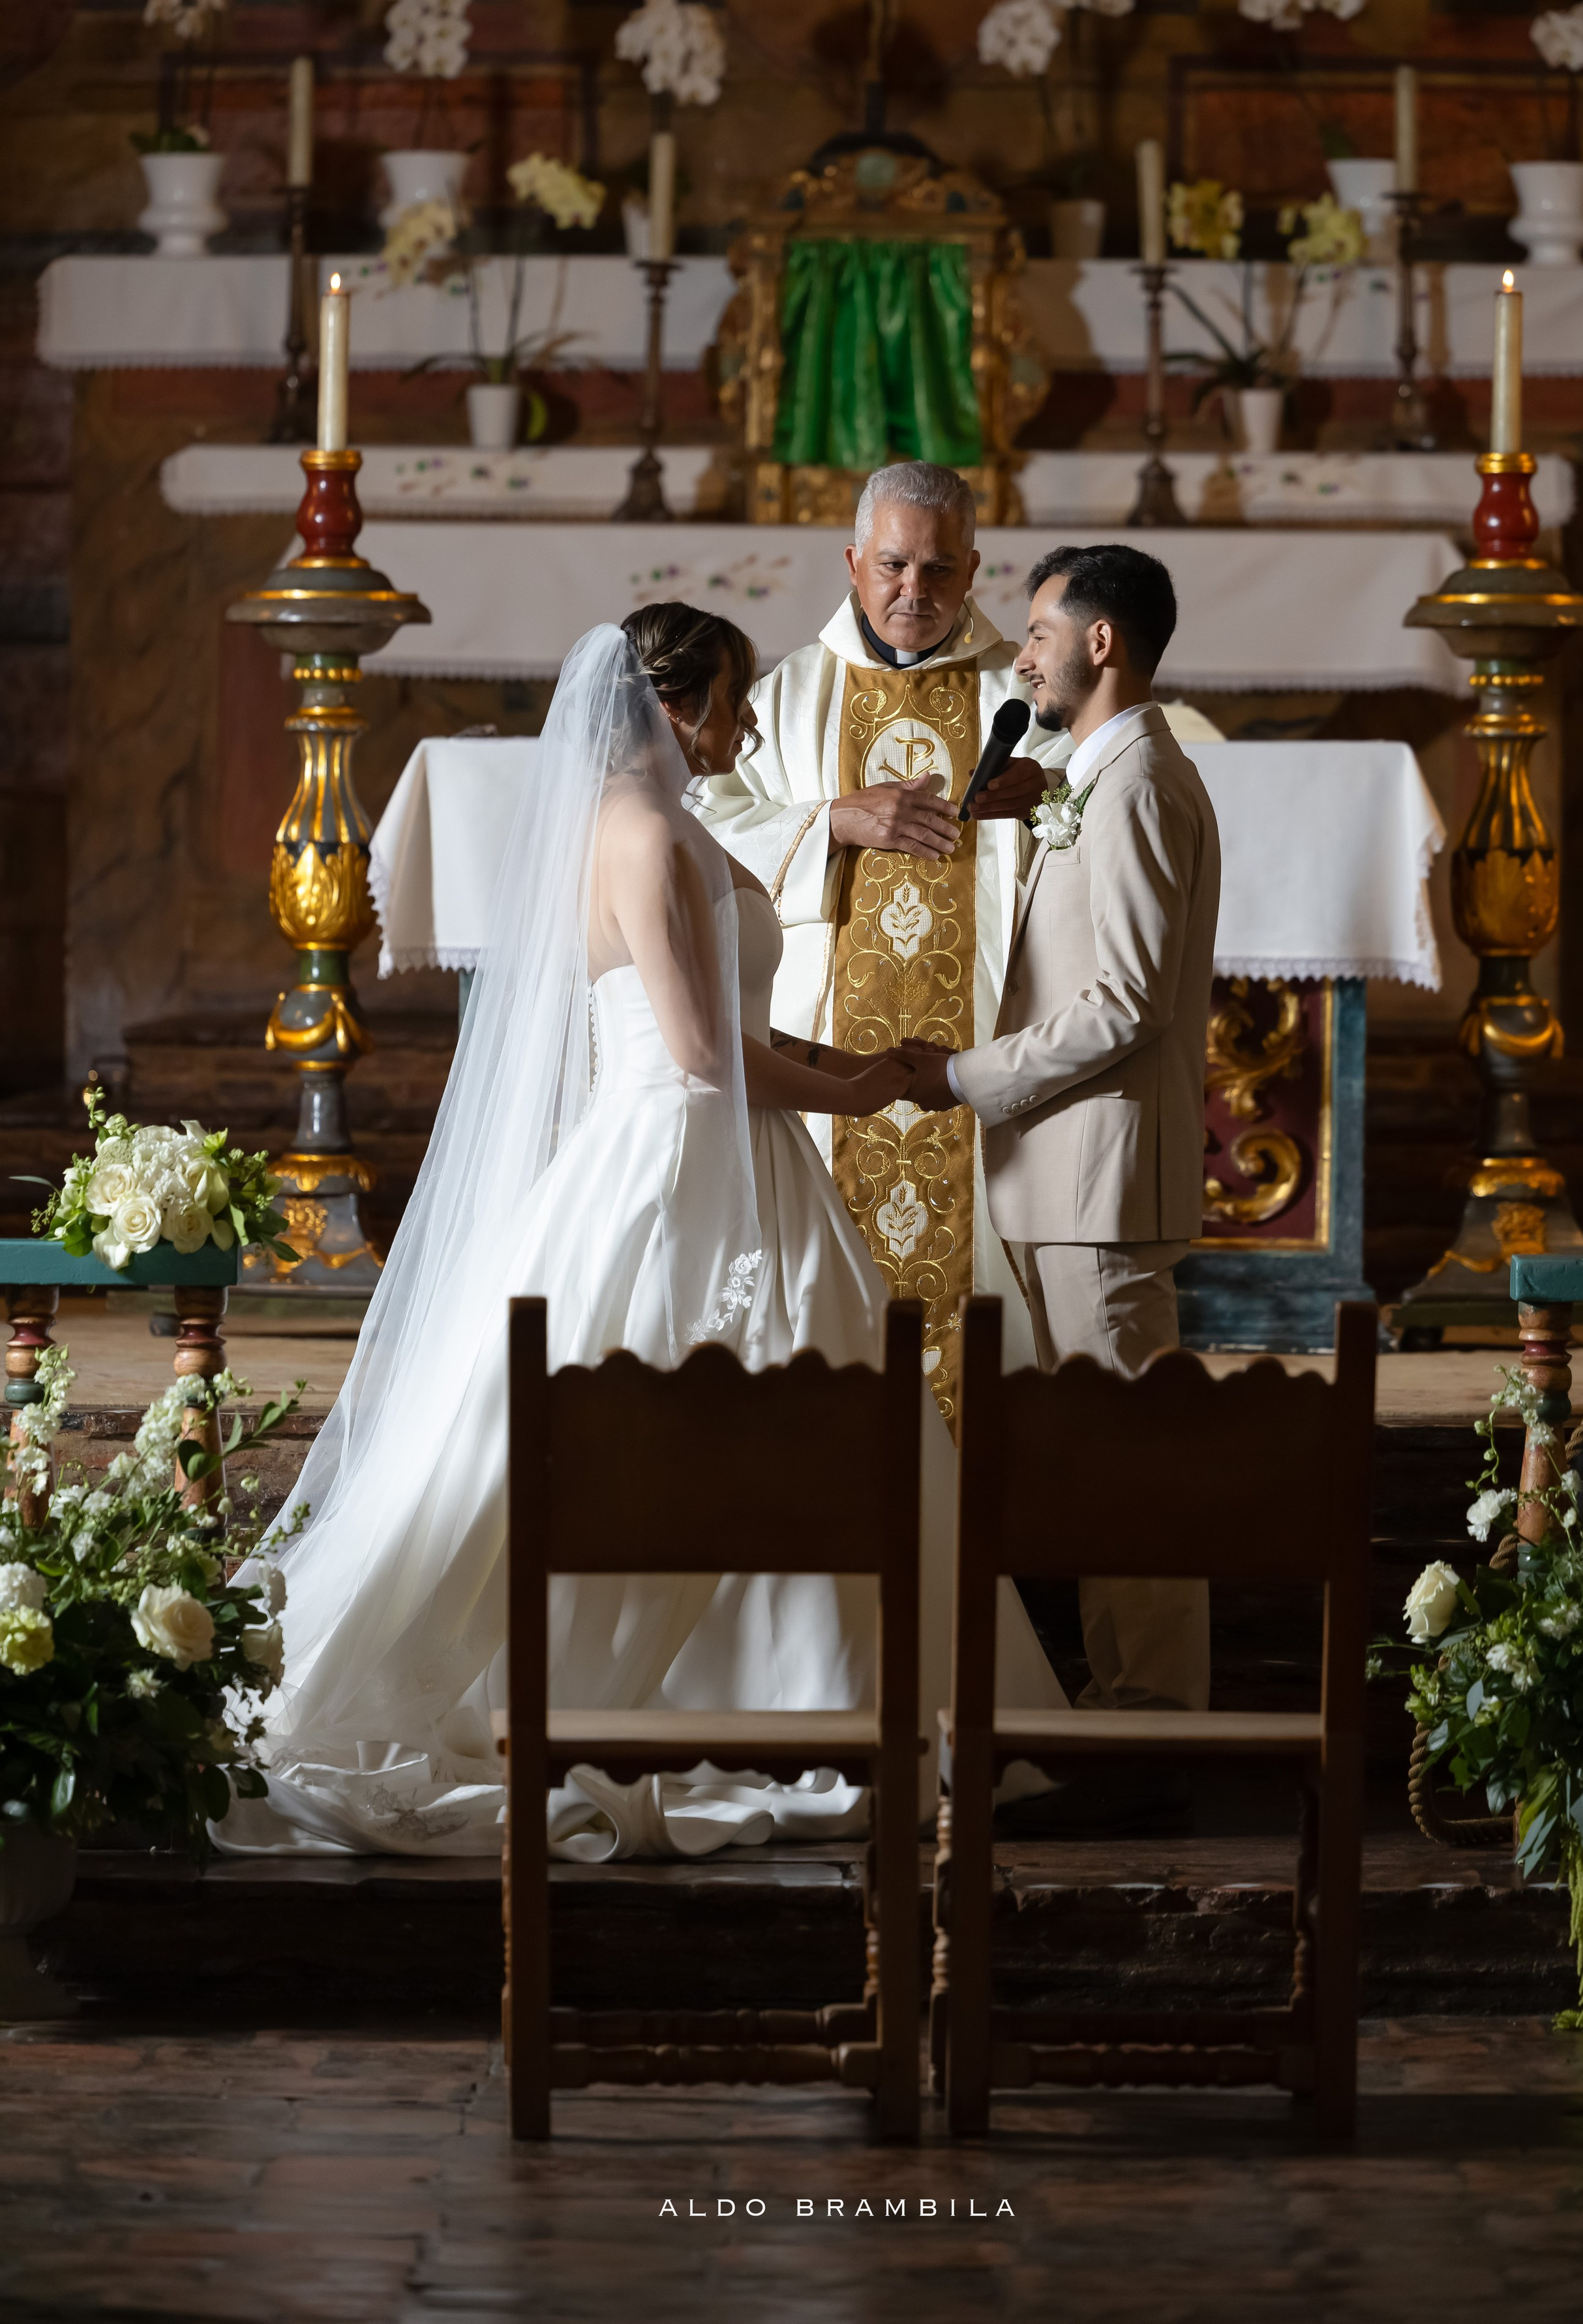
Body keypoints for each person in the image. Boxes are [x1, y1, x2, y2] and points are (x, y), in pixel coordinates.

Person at [217, 605, 1063, 1861]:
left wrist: (847, 1063)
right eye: (732, 701)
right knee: (726, 1413)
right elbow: (703, 1058)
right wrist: (859, 1093)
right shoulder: (652, 830)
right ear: (673, 707)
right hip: (684, 1167)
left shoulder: (658, 823)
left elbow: (731, 1029)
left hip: (707, 1149)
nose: (751, 721)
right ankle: (779, 1712)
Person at [695, 458, 1223, 1420]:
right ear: (854, 562)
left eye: (939, 571)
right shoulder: (788, 697)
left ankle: (992, 1542)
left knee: (1052, 1377)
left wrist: (1046, 797)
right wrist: (826, 824)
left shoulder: (1029, 692)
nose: (913, 591)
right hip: (833, 1068)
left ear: (973, 568)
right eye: (893, 566)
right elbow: (702, 825)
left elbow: (1102, 841)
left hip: (995, 1077)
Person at [901, 544, 1222, 1714]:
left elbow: (1127, 1003)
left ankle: (1154, 1723)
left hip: (1103, 1183)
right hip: (1069, 1178)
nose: (1020, 650)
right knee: (1099, 1459)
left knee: (1131, 1465)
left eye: (1038, 630)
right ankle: (1126, 1703)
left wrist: (969, 1076)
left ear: (1101, 643)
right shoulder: (1096, 774)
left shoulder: (1135, 781)